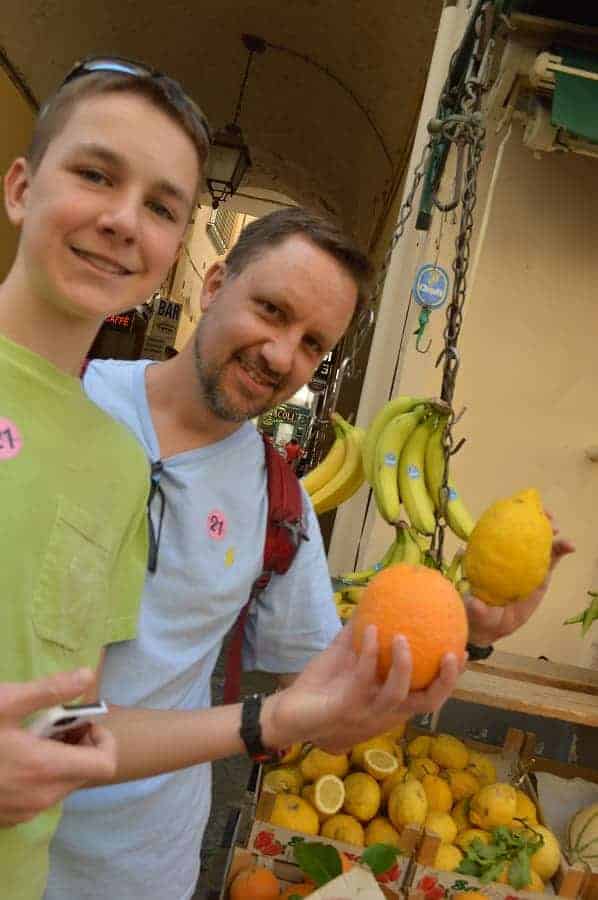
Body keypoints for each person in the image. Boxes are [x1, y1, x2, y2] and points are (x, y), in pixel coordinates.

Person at [46, 207, 574, 900]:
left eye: (311, 344)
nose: (279, 355)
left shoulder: (277, 500)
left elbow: (325, 714)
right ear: (213, 284)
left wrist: (465, 632)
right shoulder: (59, 405)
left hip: (140, 873)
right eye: (270, 309)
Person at [0, 56, 211, 899]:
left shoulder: (121, 464)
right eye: (95, 173)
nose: (125, 221)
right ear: (21, 188)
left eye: (162, 207)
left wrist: (288, 718)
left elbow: (68, 714)